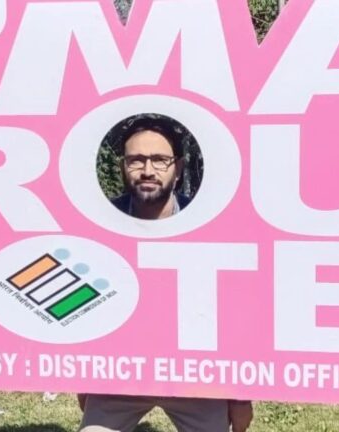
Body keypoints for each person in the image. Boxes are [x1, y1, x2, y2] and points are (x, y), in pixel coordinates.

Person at [79, 117, 253, 432]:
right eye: (136, 160)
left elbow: (234, 312)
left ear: (179, 167)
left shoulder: (210, 226)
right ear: (122, 167)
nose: (147, 170)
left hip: (196, 376)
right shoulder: (97, 225)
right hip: (122, 373)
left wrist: (239, 395)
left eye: (160, 160)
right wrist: (86, 377)